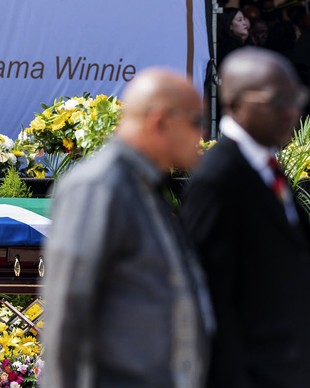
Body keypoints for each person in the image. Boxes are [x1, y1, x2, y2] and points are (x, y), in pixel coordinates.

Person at [42, 68, 214, 388]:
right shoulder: (99, 186)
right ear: (159, 120)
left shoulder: (143, 185)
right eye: (195, 122)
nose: (201, 136)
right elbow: (68, 311)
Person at [181, 47, 310, 387]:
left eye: (295, 98)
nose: (291, 112)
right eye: (277, 101)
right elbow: (208, 298)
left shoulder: (267, 170)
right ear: (236, 104)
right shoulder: (218, 179)